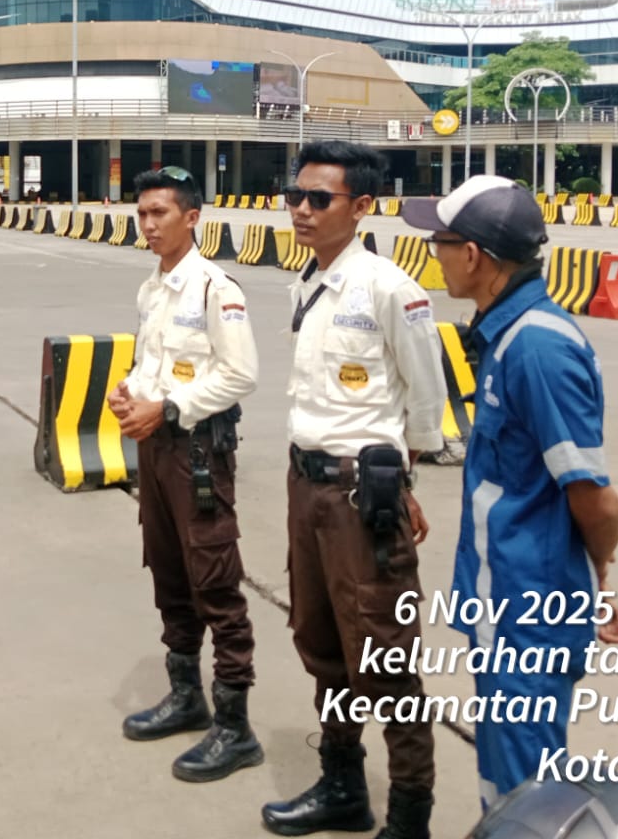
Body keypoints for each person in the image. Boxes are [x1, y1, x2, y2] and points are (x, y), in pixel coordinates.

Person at [405, 175, 618, 816]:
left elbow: (594, 495)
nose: (435, 256)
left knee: (527, 789)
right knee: (506, 773)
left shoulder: (536, 348)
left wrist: (599, 573)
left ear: (473, 255)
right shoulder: (506, 333)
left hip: (529, 609)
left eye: (441, 242)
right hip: (505, 598)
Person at [262, 141, 443, 839]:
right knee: (323, 645)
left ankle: (410, 817)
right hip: (307, 489)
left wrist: (400, 483)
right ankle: (342, 784)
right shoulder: (307, 281)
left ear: (361, 206)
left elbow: (425, 403)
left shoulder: (392, 290)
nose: (301, 211)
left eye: (319, 199)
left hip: (359, 499)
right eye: (295, 196)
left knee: (386, 657)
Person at [107, 165, 263, 783]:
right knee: (169, 571)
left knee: (214, 581)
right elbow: (152, 362)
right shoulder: (152, 288)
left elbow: (240, 373)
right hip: (156, 450)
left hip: (198, 454)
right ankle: (186, 695)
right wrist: (129, 392)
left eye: (160, 213)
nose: (148, 225)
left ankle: (235, 724)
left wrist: (169, 408)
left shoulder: (215, 289)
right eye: (142, 214)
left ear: (192, 218)